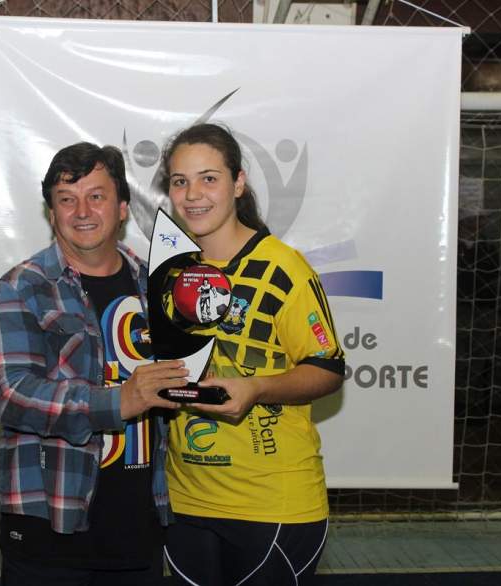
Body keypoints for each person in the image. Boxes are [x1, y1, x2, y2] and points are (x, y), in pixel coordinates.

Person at [0, 142, 187, 586]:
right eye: (66, 199)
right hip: (50, 530)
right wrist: (117, 402)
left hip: (138, 529)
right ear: (51, 213)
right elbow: (9, 394)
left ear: (124, 207)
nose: (82, 211)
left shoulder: (155, 287)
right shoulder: (22, 288)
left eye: (97, 196)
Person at [159, 124, 346, 585]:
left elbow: (328, 369)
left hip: (274, 504)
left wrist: (258, 387)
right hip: (186, 502)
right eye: (180, 181)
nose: (193, 194)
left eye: (208, 178)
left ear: (238, 183)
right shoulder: (168, 273)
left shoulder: (282, 268)